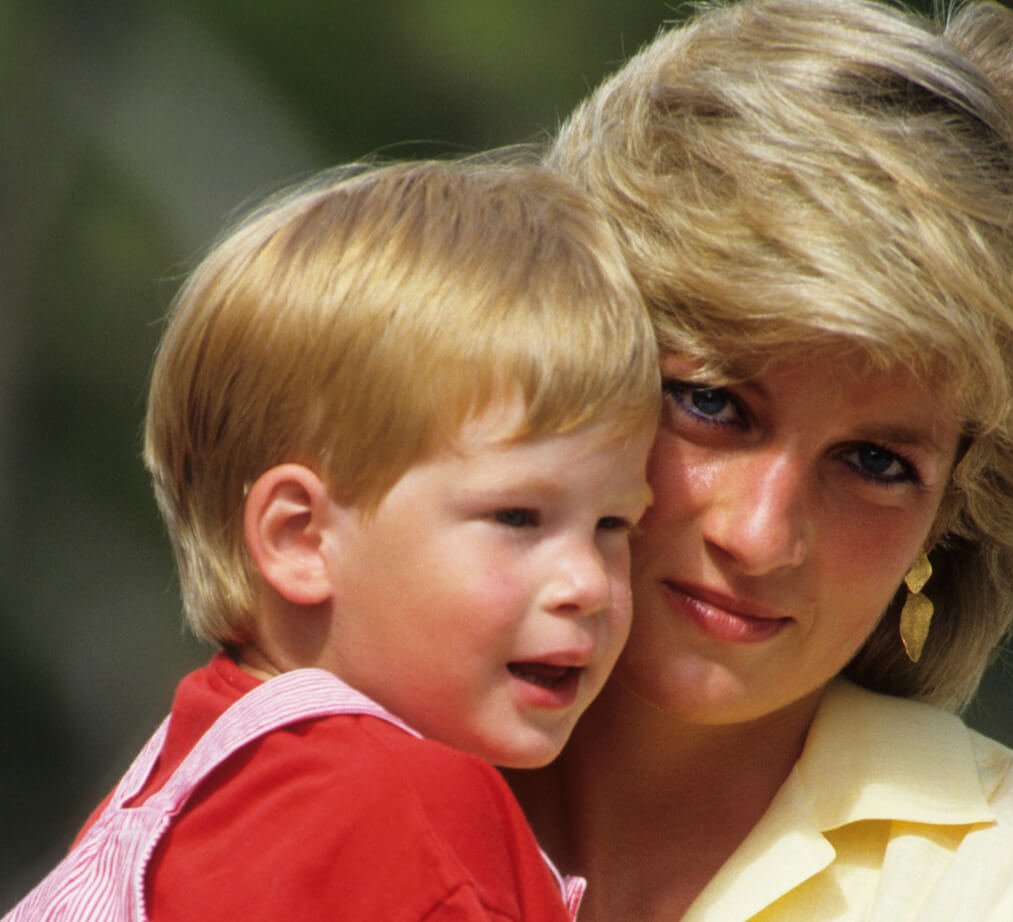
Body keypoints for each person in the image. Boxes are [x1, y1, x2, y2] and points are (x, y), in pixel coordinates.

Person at [505, 1, 1013, 919]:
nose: (759, 535)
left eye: (874, 462)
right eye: (711, 403)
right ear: (573, 351)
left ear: (952, 518)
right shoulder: (292, 741)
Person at [4, 158, 659, 921]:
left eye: (614, 526)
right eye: (517, 518)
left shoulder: (178, 786)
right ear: (300, 537)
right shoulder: (400, 812)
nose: (586, 582)